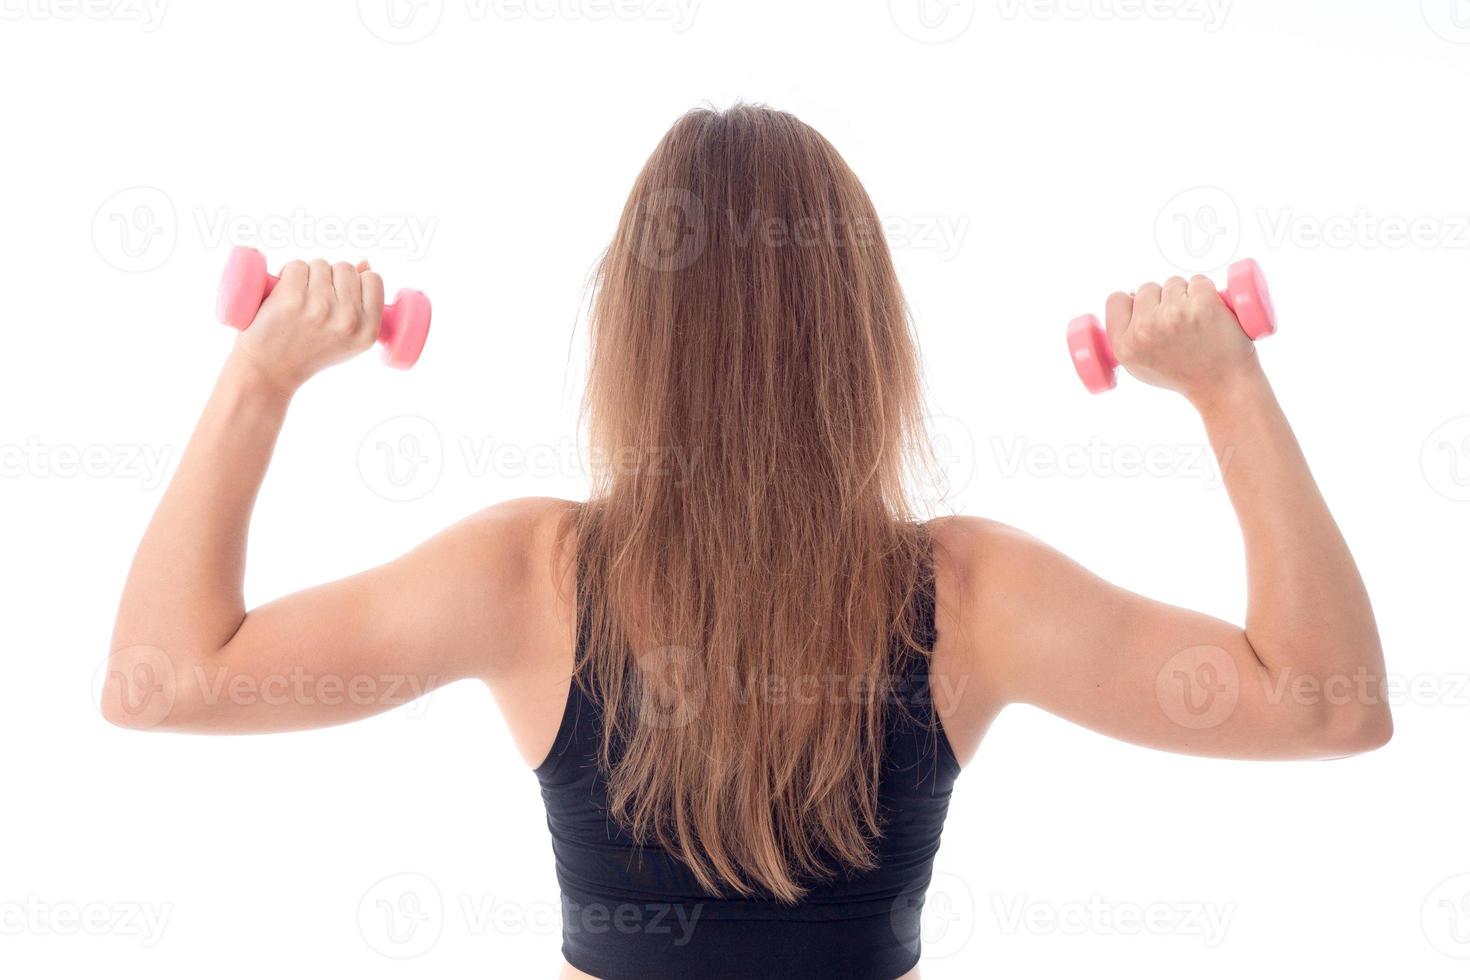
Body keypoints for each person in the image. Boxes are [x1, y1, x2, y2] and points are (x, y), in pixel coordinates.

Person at [104, 105, 1391, 980]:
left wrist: (263, 374)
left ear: (630, 337)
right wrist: (1228, 386)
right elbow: (1327, 705)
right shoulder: (973, 593)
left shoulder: (524, 578)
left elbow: (160, 680)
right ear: (866, 337)